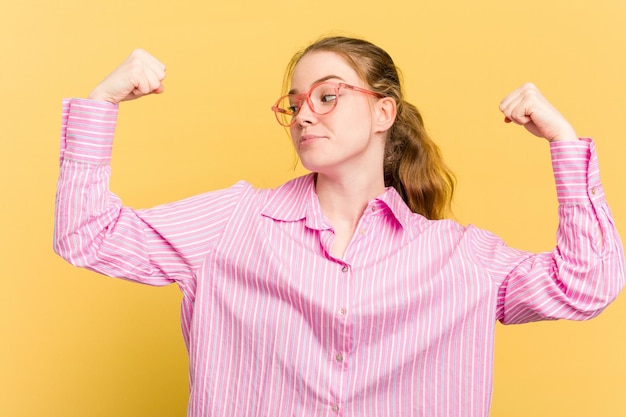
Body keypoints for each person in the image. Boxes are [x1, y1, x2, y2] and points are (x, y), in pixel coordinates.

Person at [54, 36, 625, 417]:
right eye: (296, 102)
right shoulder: (232, 224)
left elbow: (586, 284)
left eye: (327, 96)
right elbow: (86, 233)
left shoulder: (458, 257)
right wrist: (102, 101)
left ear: (384, 112)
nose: (305, 113)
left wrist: (565, 144)